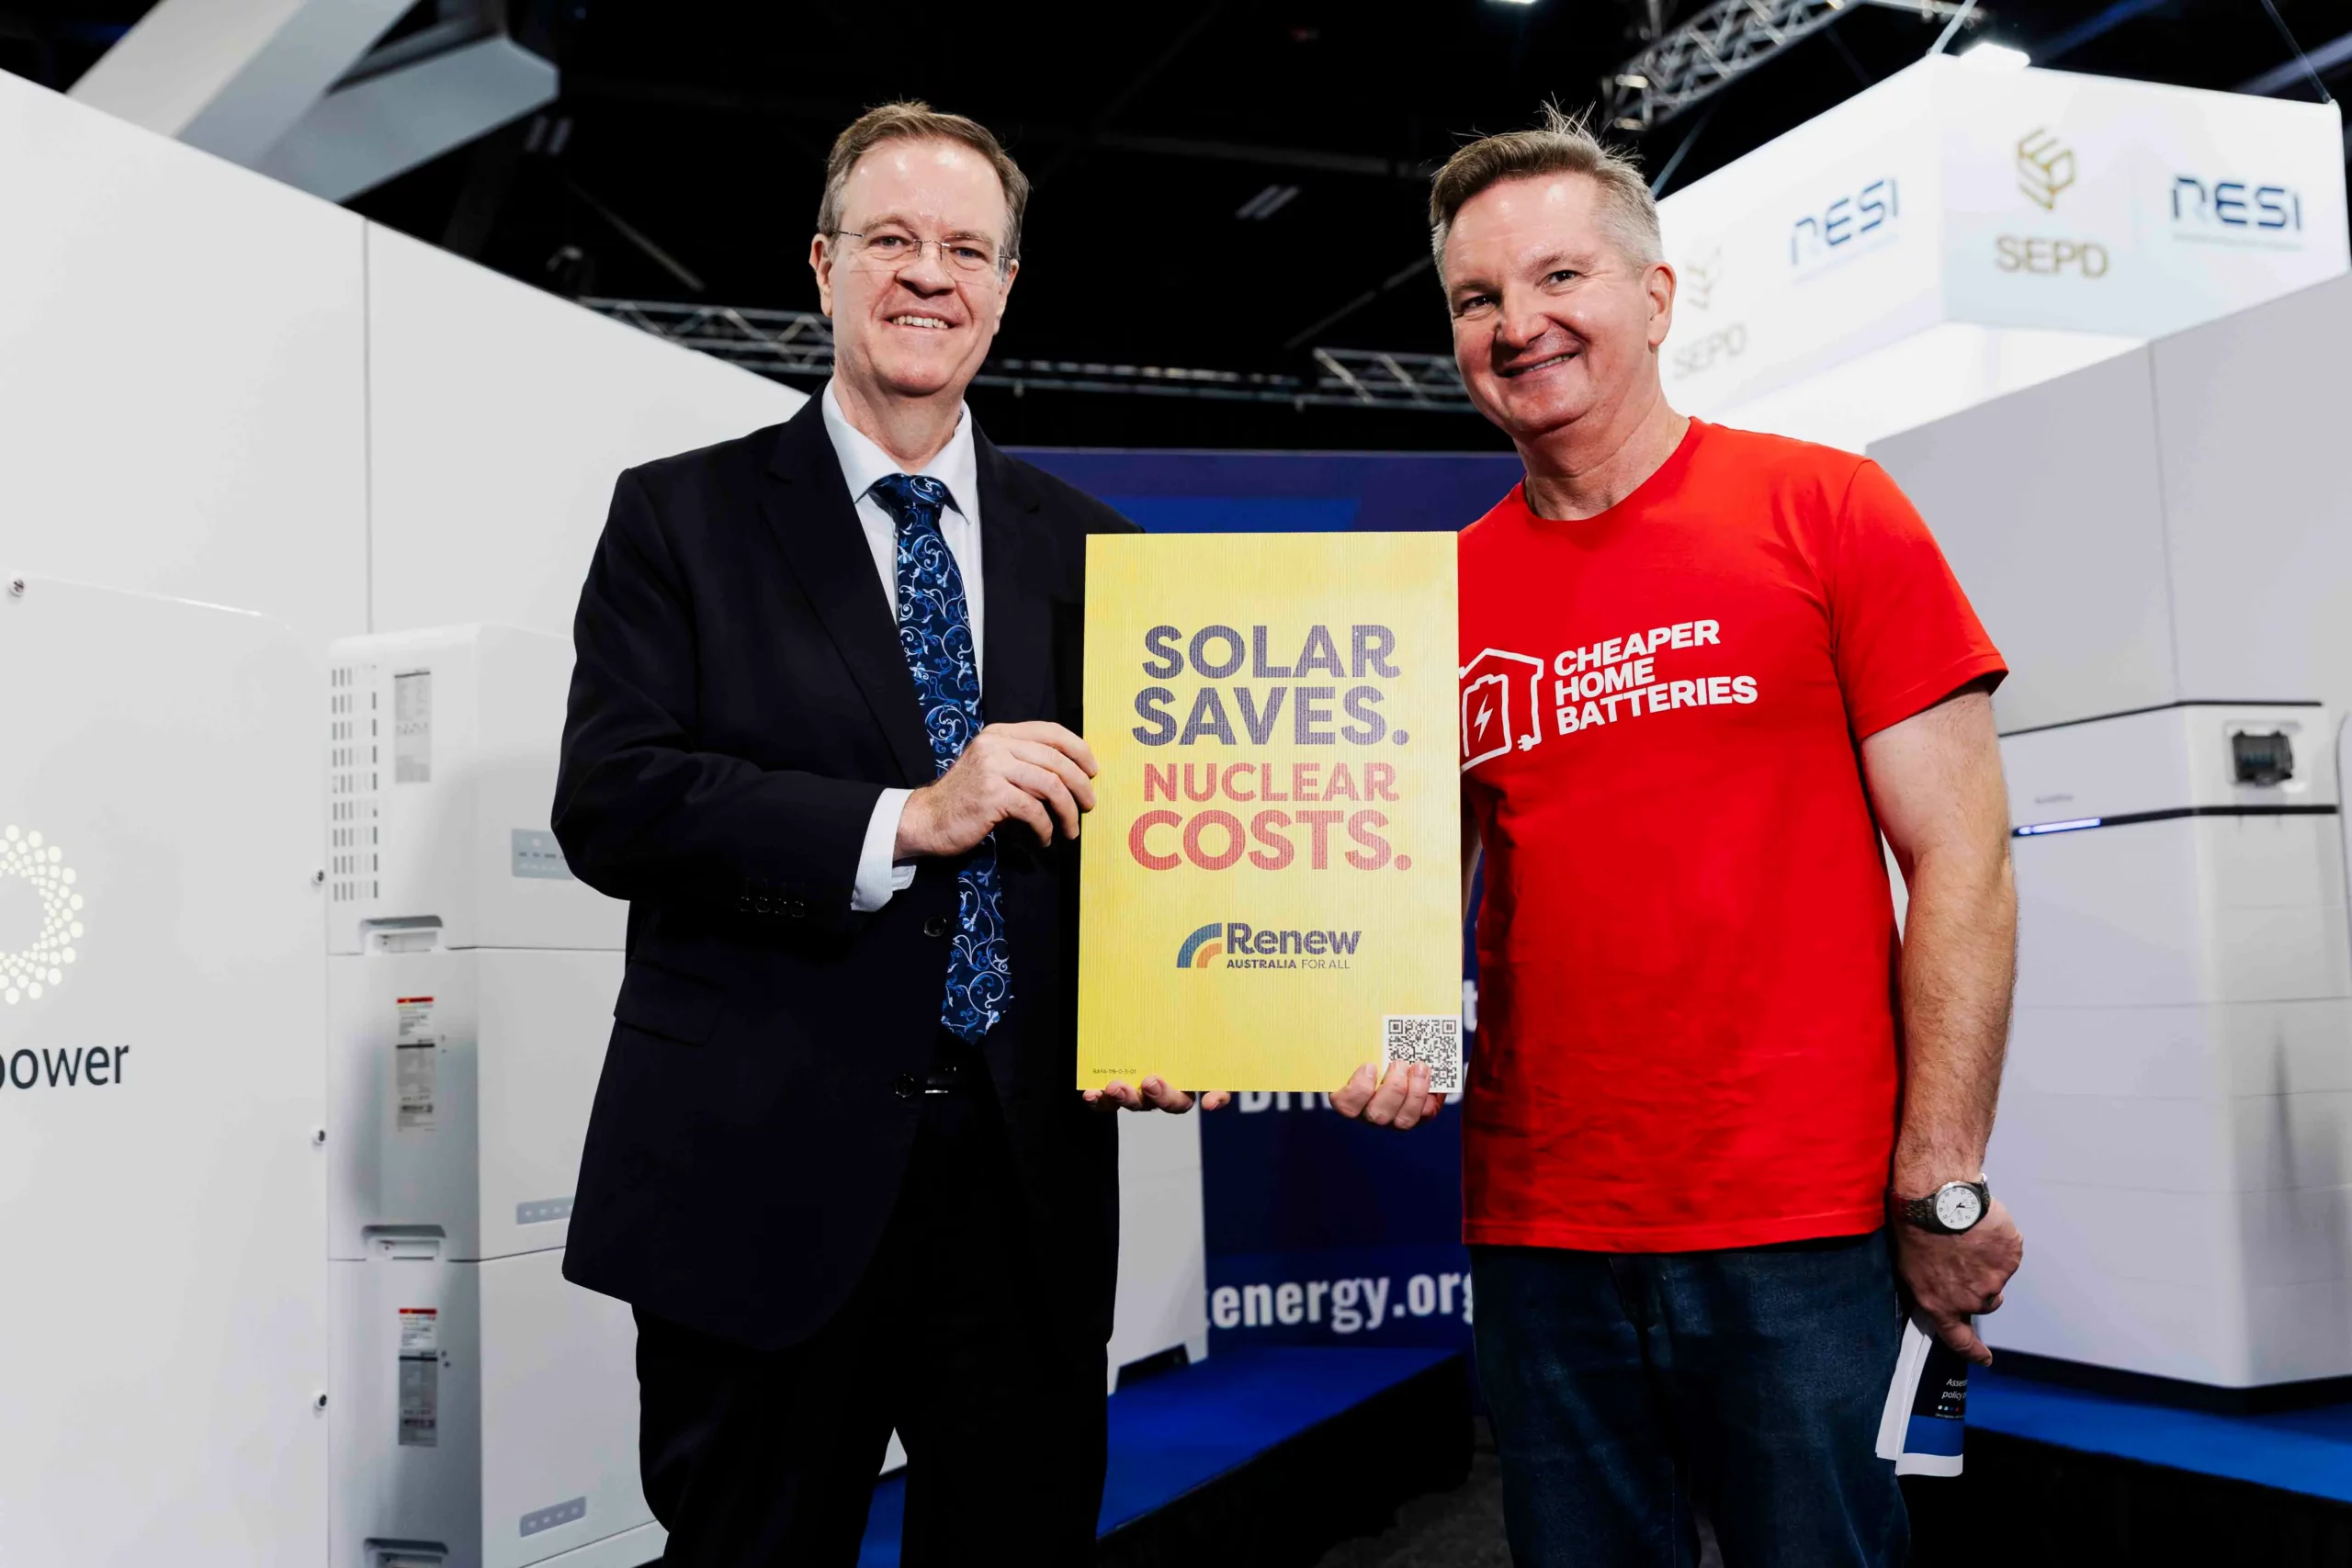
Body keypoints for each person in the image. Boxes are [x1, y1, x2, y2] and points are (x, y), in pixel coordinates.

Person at [1334, 107, 2024, 1567]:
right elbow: (1422, 885)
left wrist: (1942, 1175)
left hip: (1803, 1219)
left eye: (1559, 277)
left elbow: (1963, 857)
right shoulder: (1436, 595)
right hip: (1542, 1223)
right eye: (1477, 297)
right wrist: (1396, 1038)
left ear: (1654, 296)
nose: (1518, 324)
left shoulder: (1827, 508)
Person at [552, 101, 1211, 1566]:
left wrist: (1179, 1010)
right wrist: (906, 819)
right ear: (824, 263)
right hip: (761, 1175)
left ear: (1006, 287)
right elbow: (612, 795)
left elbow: (1150, 848)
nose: (928, 274)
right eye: (892, 240)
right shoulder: (681, 518)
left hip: (1027, 1193)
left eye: (967, 249)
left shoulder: (1104, 555)